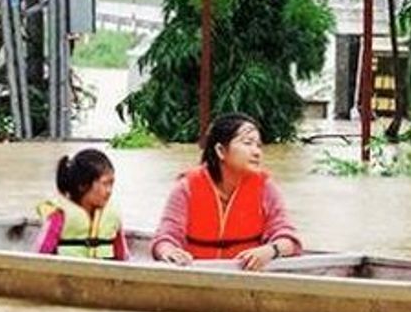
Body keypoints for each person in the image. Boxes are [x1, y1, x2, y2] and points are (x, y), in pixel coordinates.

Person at [151, 113, 303, 270]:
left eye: (258, 145)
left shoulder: (266, 188)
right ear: (221, 151)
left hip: (247, 279)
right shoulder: (186, 187)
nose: (257, 152)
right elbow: (165, 238)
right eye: (248, 143)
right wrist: (169, 252)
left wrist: (270, 250)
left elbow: (290, 240)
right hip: (197, 276)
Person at [35, 148, 129, 260]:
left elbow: (122, 255)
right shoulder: (60, 215)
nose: (109, 191)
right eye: (105, 184)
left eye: (111, 184)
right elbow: (41, 254)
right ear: (82, 186)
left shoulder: (112, 215)